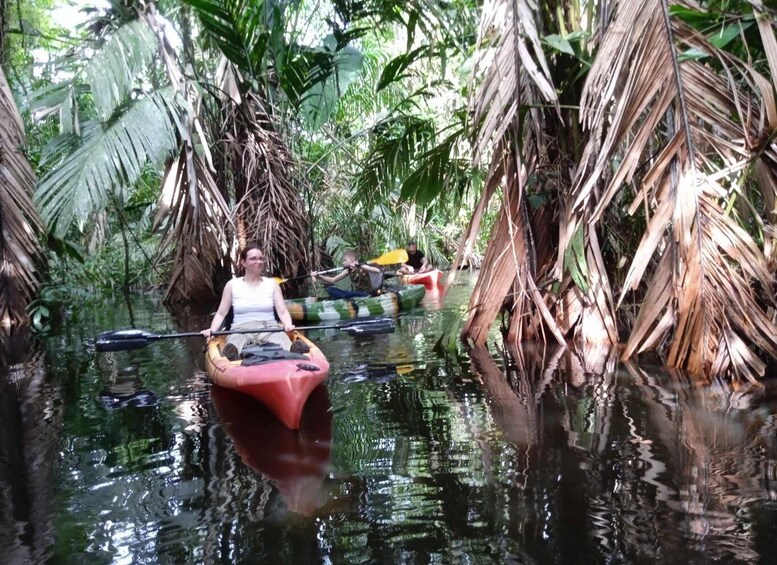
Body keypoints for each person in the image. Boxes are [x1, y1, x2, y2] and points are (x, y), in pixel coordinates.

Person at [201, 244, 307, 360]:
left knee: (282, 338)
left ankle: (294, 350)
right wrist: (212, 330)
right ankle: (231, 354)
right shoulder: (232, 285)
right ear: (243, 262)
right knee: (235, 341)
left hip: (269, 328)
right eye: (253, 258)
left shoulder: (272, 284)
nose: (258, 261)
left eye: (261, 258)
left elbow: (282, 311)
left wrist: (287, 324)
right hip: (241, 329)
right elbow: (221, 313)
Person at [311, 250, 384, 299]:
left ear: (352, 259)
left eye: (345, 260)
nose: (343, 263)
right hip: (357, 294)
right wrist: (319, 276)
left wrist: (360, 266)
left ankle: (344, 298)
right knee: (330, 289)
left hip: (366, 295)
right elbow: (333, 280)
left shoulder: (362, 267)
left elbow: (377, 271)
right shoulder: (347, 271)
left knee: (347, 294)